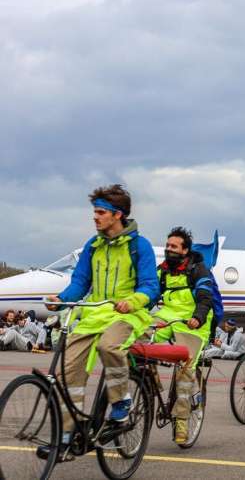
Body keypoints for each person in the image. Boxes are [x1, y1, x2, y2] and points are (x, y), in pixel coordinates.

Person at [40, 184, 158, 460]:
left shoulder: (139, 246)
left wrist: (133, 300)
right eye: (95, 211)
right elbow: (80, 282)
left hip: (128, 314)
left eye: (100, 212)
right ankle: (68, 437)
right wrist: (61, 298)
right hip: (95, 314)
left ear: (117, 215)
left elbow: (151, 286)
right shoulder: (93, 246)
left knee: (109, 346)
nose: (95, 217)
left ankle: (121, 400)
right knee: (67, 370)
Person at [151, 227, 215, 444]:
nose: (169, 249)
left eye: (174, 246)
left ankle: (182, 423)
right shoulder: (162, 271)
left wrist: (198, 317)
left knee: (185, 374)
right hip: (167, 317)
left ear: (185, 250)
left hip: (192, 322)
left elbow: (206, 298)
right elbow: (151, 294)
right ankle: (150, 383)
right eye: (167, 245)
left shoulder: (198, 270)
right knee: (137, 341)